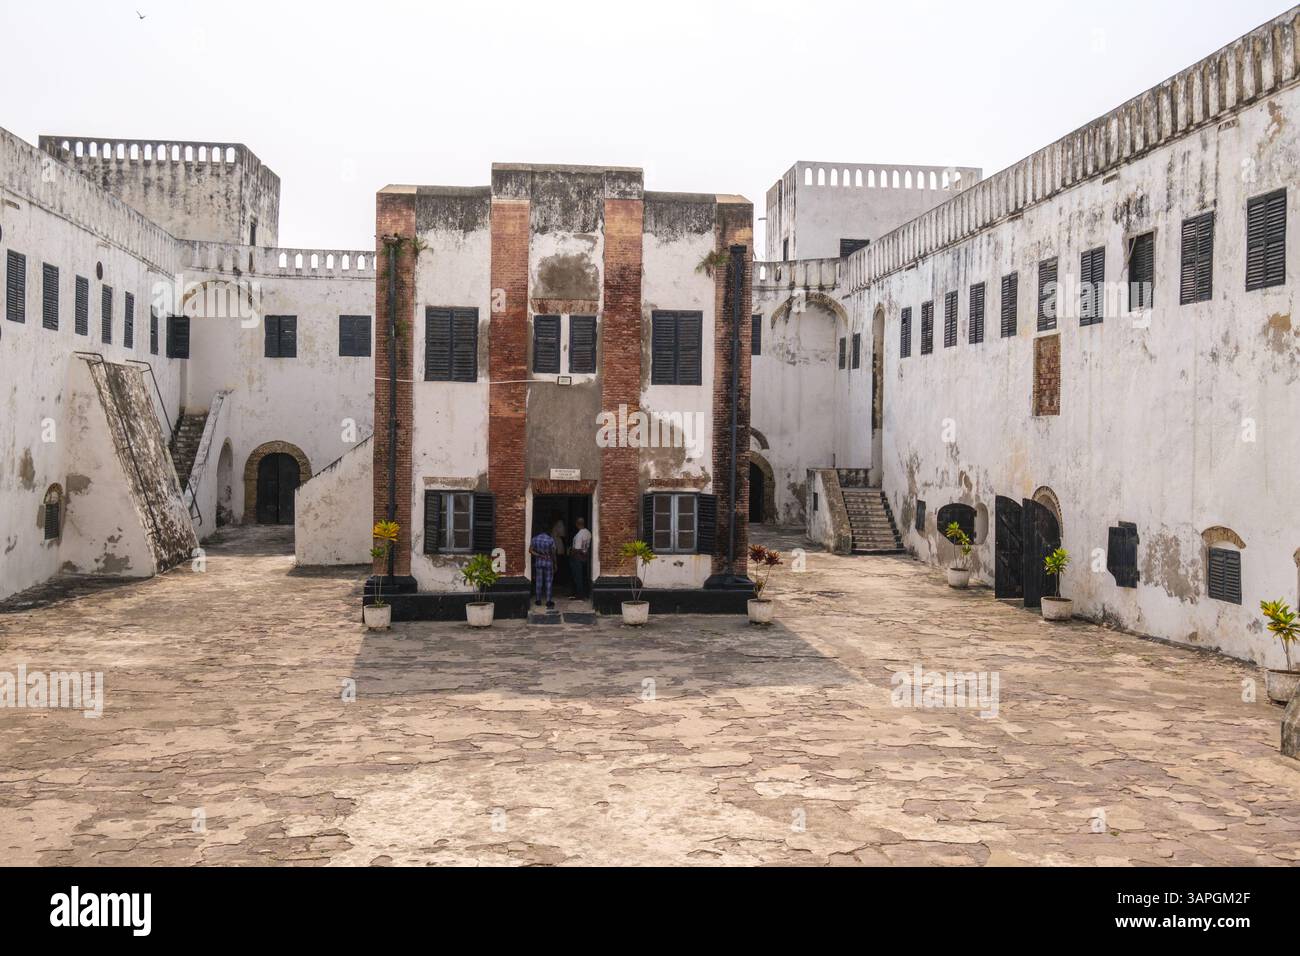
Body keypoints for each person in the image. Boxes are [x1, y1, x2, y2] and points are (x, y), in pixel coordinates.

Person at [529, 524, 557, 609]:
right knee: (548, 581)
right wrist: (555, 563)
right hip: (548, 562)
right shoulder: (550, 540)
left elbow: (530, 550)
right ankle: (548, 601)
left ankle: (538, 600)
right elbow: (553, 553)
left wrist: (538, 555)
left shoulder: (535, 539)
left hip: (539, 562)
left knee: (539, 581)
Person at [569, 517, 591, 599]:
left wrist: (571, 553)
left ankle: (579, 594)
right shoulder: (588, 533)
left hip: (577, 557)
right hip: (585, 557)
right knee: (584, 576)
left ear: (577, 524)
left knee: (577, 576)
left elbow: (577, 549)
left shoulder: (578, 535)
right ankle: (585, 593)